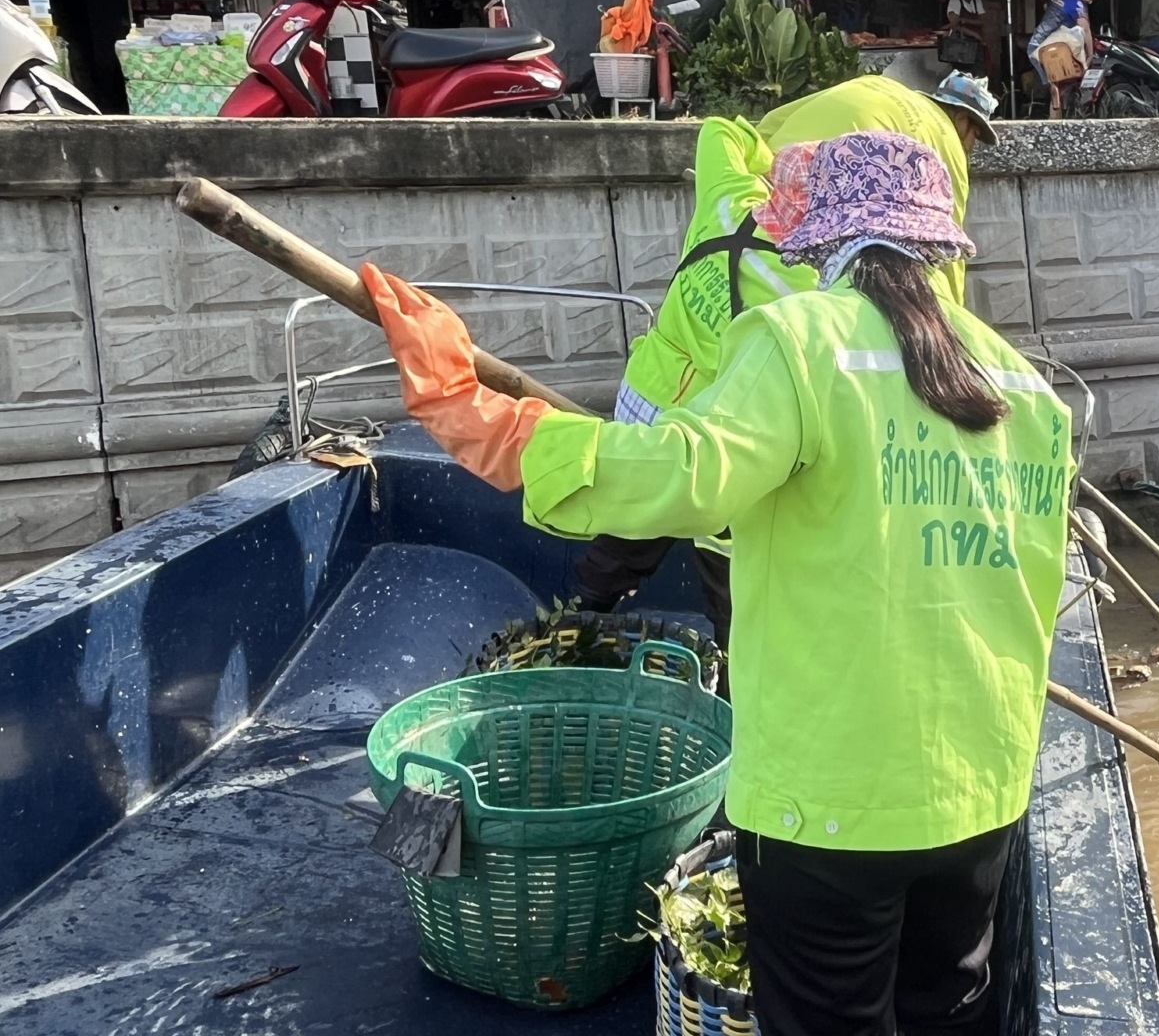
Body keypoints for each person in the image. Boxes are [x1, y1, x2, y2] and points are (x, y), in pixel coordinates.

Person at [360, 129, 1073, 1036]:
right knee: (949, 1009)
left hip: (829, 799)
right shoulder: (1024, 386)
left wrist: (470, 414)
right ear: (937, 240)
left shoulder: (800, 341)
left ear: (815, 238)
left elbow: (676, 477)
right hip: (983, 788)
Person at [571, 72, 1001, 619]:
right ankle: (733, 658)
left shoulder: (729, 199)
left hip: (648, 404)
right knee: (729, 572)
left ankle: (583, 612)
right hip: (725, 434)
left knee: (635, 519)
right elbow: (937, 283)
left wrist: (767, 159)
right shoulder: (811, 293)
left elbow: (722, 133)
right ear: (965, 123)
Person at [1025, 0, 1101, 92]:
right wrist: (1090, 55)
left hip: (1041, 40)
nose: (1090, 2)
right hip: (1041, 45)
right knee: (1053, 80)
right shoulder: (1077, 5)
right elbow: (1085, 29)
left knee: (1053, 79)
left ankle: (1052, 88)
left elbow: (1046, 6)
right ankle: (1051, 88)